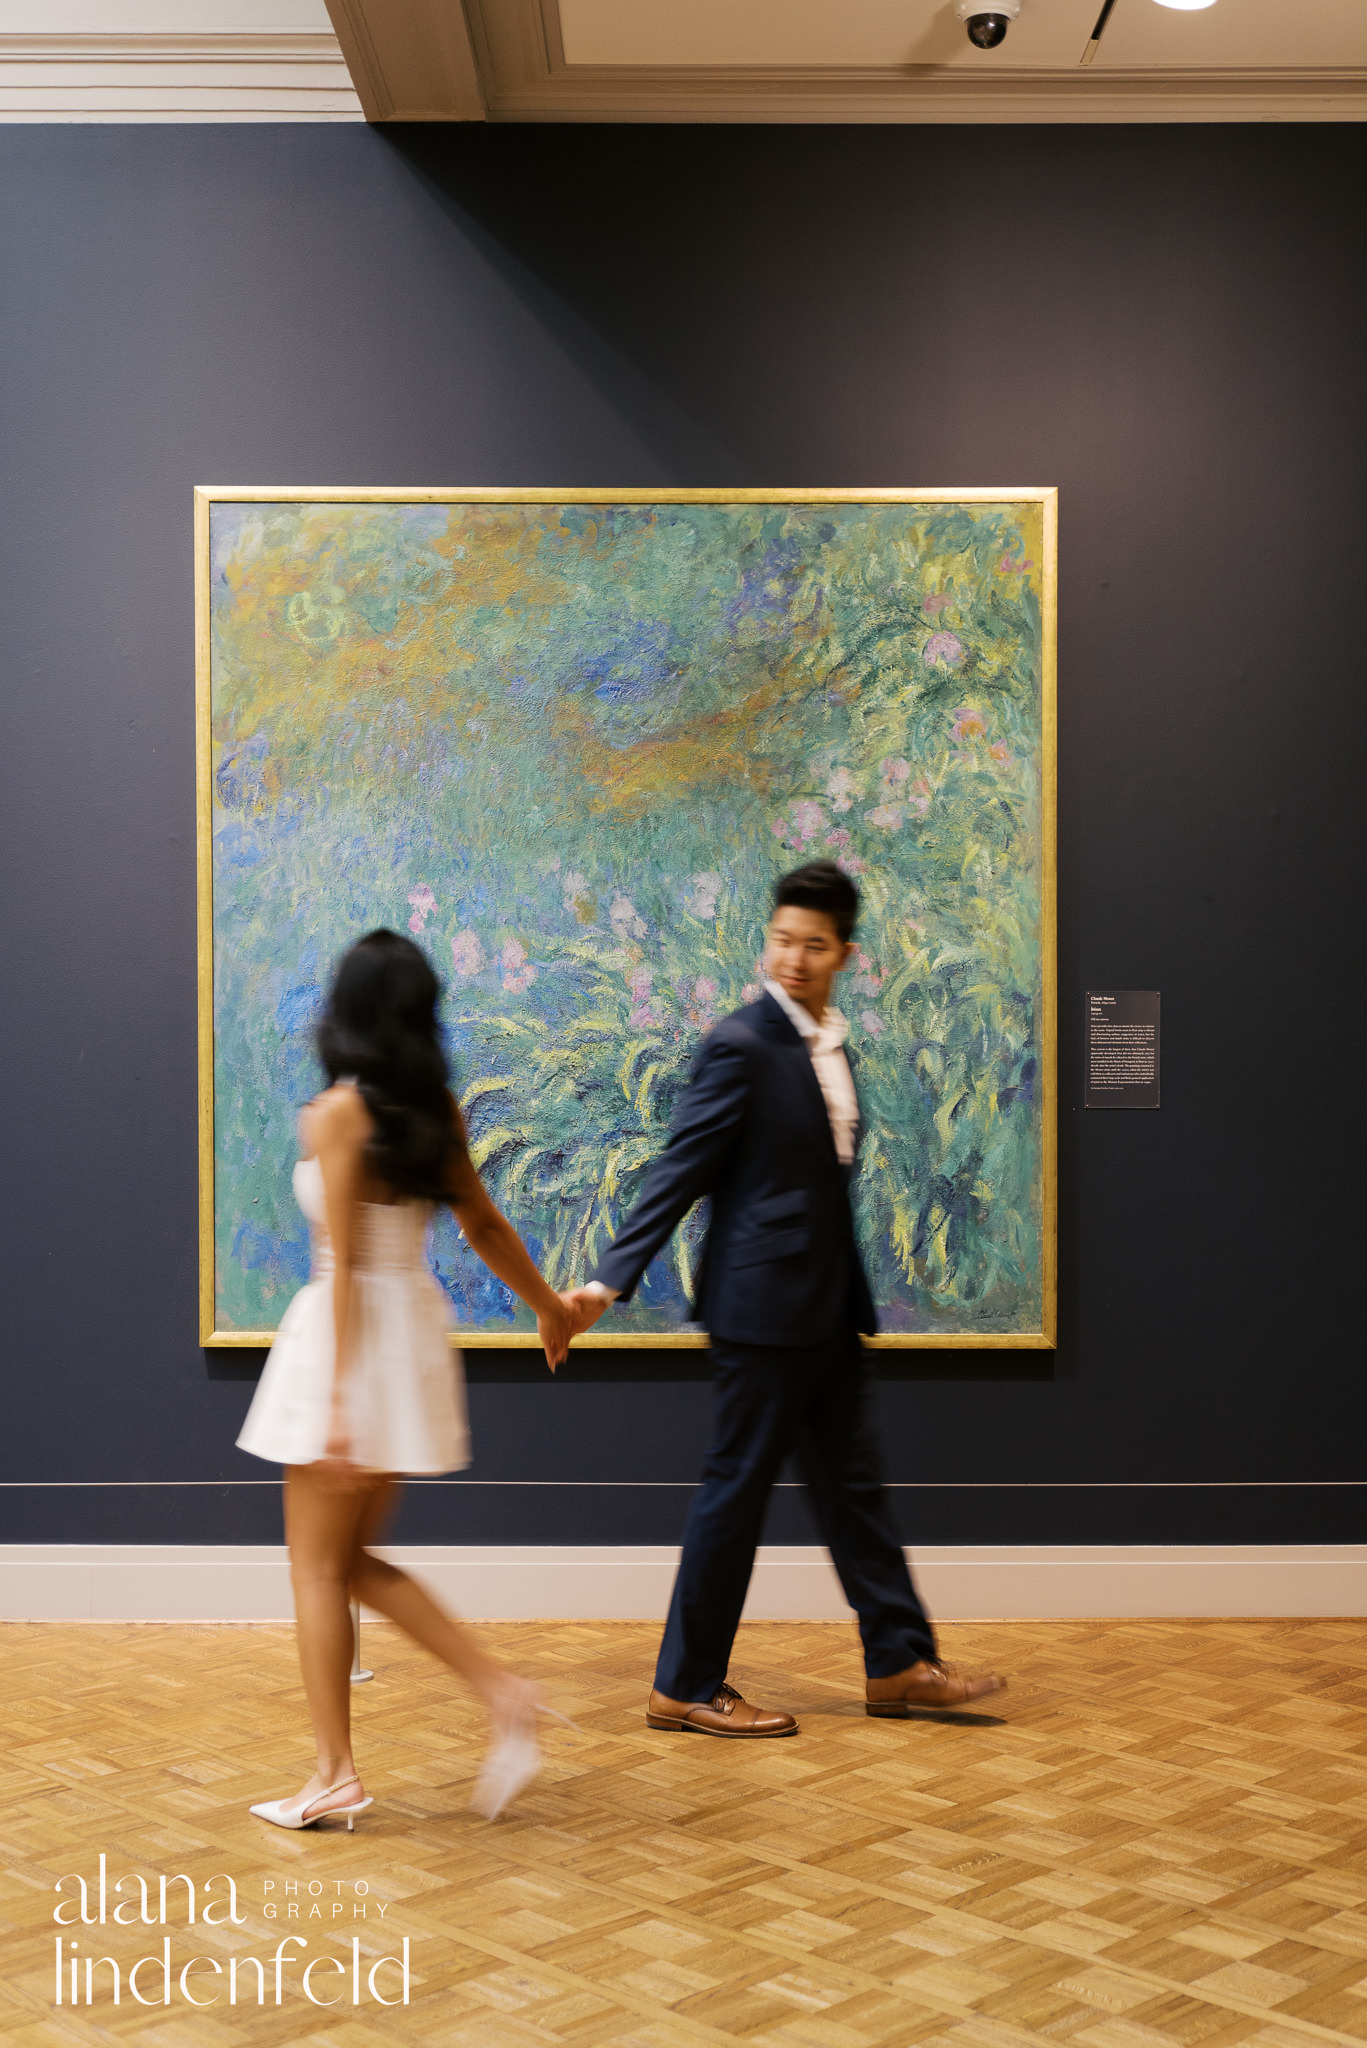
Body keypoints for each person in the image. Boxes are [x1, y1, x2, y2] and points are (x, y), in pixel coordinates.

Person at [566, 861, 1004, 1736]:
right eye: (780, 940)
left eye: (812, 944)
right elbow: (679, 1168)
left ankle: (900, 1664)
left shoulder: (828, 1043)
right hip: (761, 1313)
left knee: (853, 1490)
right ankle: (684, 1685)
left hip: (826, 1308)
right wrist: (607, 1281)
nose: (792, 958)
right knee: (733, 1497)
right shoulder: (740, 1042)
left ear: (845, 952)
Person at [237, 929, 576, 1828]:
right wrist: (549, 1307)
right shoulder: (438, 1114)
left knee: (316, 1568)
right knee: (345, 1562)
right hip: (411, 1333)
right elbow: (486, 1227)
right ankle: (500, 1695)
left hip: (347, 1338)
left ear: (343, 1011)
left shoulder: (336, 1114)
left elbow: (344, 1266)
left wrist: (338, 1406)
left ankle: (337, 1770)